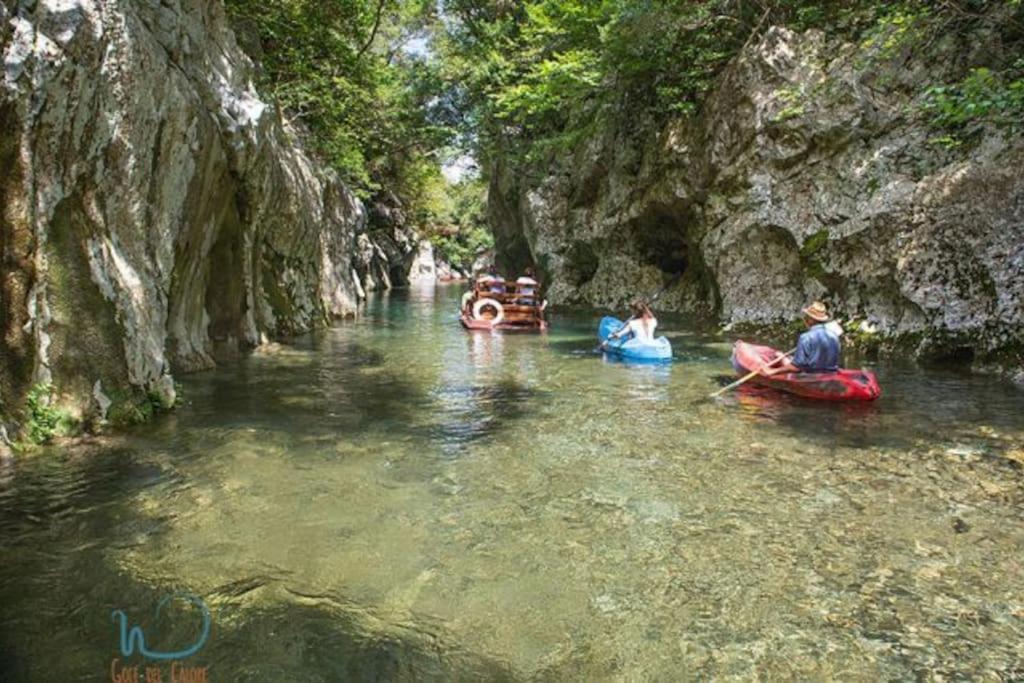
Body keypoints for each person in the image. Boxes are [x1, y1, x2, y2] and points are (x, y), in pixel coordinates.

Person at [762, 301, 841, 376]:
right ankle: (780, 356)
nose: (805, 319)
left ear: (811, 320)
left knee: (782, 357)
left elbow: (796, 368)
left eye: (807, 317)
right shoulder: (834, 335)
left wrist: (772, 371)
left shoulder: (806, 337)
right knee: (780, 355)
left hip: (812, 375)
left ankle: (779, 358)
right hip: (831, 373)